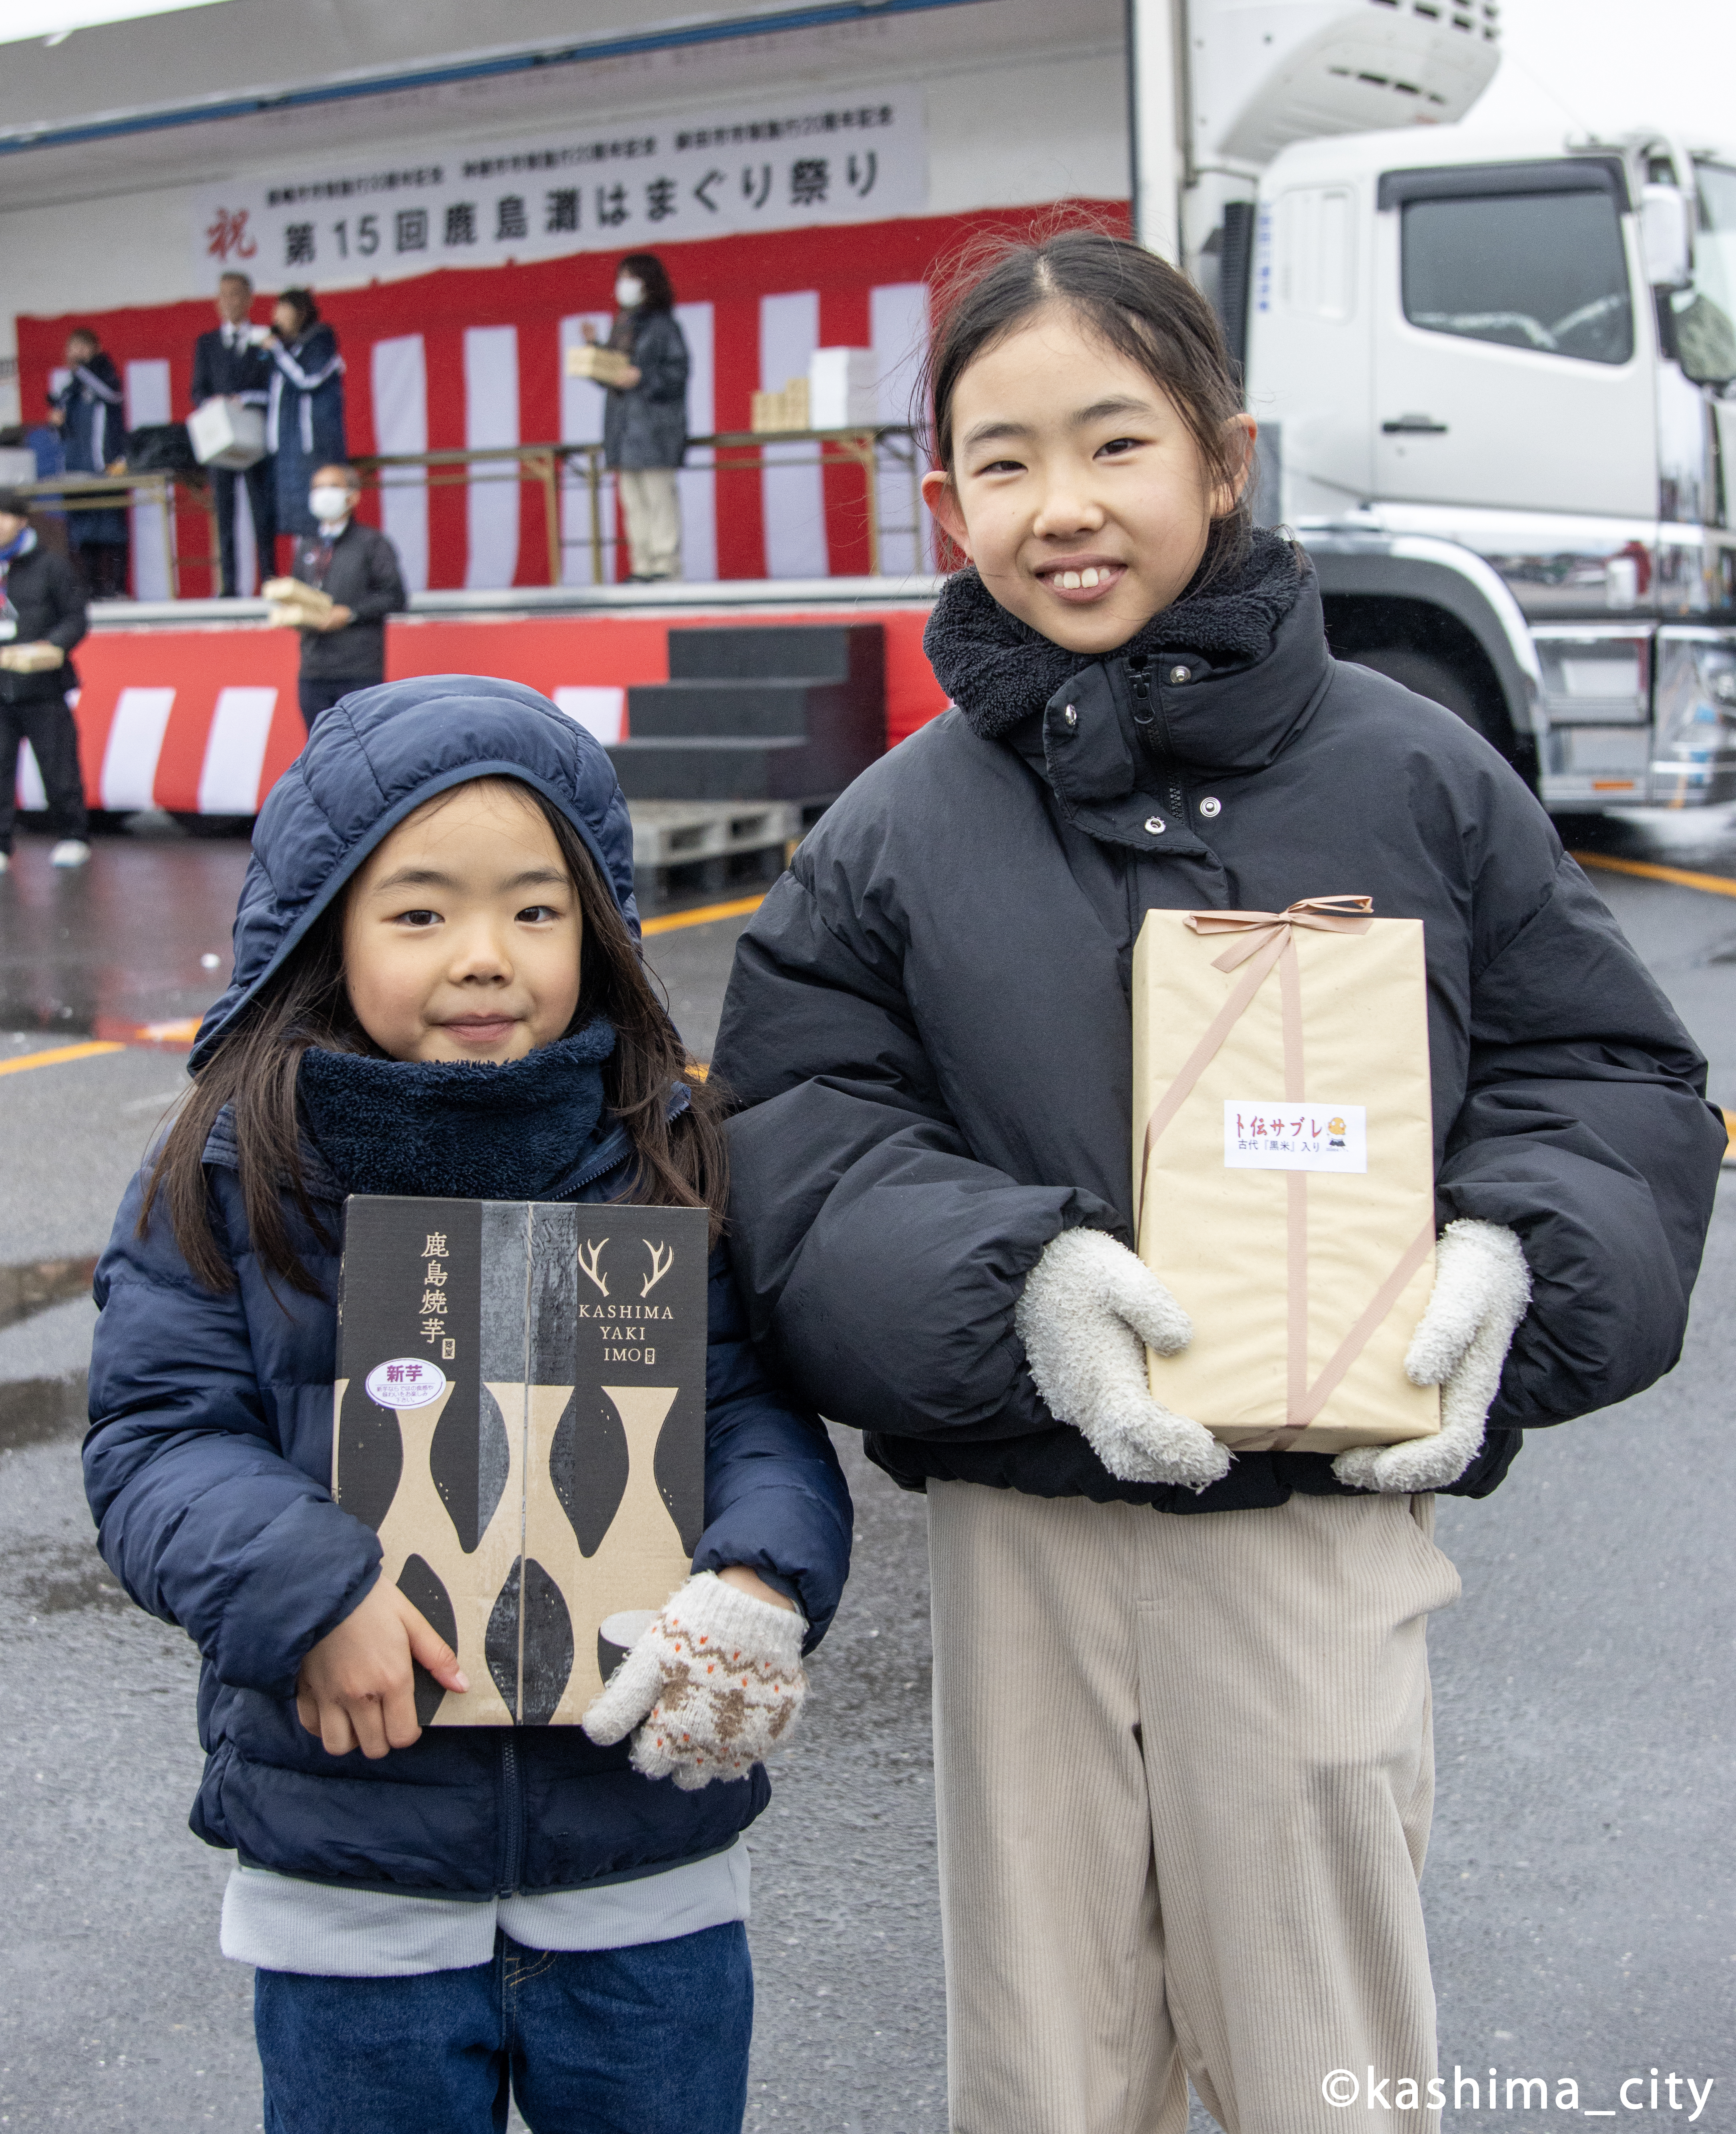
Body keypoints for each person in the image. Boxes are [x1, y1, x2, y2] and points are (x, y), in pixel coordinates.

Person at [708, 231, 1726, 2134]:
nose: (1063, 507)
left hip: (1315, 1528)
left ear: (1221, 460)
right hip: (1026, 1529)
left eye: (1114, 444)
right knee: (1047, 2062)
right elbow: (796, 1138)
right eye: (1002, 463)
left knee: (1323, 2056)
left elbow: (1604, 1071)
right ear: (942, 501)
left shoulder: (1415, 776)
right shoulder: (887, 833)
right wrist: (1016, 1290)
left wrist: (1507, 1261)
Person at [84, 676, 852, 2134]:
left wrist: (759, 1574)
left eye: (538, 911)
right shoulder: (238, 1169)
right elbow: (156, 1438)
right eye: (422, 911)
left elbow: (753, 1410)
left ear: (601, 929)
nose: (485, 958)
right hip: (348, 1869)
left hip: (645, 1858)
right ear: (328, 928)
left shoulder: (664, 1144)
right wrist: (308, 1588)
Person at [0, 490, 91, 870]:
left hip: (43, 686)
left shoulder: (51, 565)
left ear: (22, 521)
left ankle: (73, 836)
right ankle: (2, 844)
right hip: (1, 686)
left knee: (58, 766)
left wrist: (50, 646)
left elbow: (76, 618)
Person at [587, 253, 688, 582]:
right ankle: (642, 565)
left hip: (655, 428)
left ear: (648, 283)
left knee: (659, 499)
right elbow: (612, 375)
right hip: (624, 428)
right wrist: (594, 352)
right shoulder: (623, 325)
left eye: (631, 278)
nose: (624, 286)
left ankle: (666, 566)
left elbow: (678, 374)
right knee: (633, 501)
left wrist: (642, 378)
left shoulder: (663, 327)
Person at [286, 463, 406, 733]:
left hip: (358, 669)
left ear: (353, 497)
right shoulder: (308, 546)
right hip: (314, 669)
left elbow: (396, 597)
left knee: (363, 747)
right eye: (317, 488)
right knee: (319, 749)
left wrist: (350, 613)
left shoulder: (372, 543)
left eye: (332, 487)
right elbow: (297, 594)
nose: (323, 494)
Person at [191, 271, 277, 596]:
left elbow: (273, 386)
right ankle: (229, 586)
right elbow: (197, 390)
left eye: (236, 295)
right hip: (221, 440)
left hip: (254, 435)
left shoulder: (263, 338)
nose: (229, 302)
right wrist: (215, 402)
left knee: (262, 510)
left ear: (250, 300)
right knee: (224, 514)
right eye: (223, 295)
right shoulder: (207, 343)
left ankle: (269, 578)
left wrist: (247, 400)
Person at [49, 326, 129, 599]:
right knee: (84, 530)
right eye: (73, 347)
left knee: (113, 527)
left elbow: (112, 396)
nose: (78, 352)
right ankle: (91, 589)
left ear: (95, 349)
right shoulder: (70, 388)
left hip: (105, 465)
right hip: (76, 468)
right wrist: (57, 423)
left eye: (83, 346)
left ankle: (117, 588)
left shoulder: (106, 374)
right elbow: (64, 432)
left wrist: (82, 371)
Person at [265, 287, 346, 555]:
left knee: (320, 510)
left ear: (299, 313)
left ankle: (327, 571)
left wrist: (277, 350)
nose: (276, 317)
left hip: (313, 443)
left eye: (282, 310)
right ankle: (305, 570)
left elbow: (306, 379)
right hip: (288, 446)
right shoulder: (286, 347)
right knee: (295, 515)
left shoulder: (321, 340)